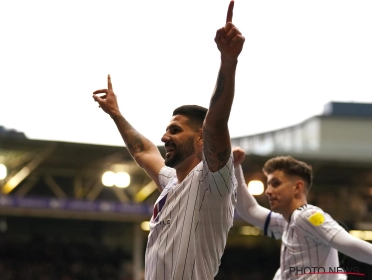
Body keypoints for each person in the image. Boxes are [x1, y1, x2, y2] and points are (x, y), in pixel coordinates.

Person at [92, 1, 245, 279]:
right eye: (166, 130)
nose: (164, 137)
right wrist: (116, 114)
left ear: (201, 138)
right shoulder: (172, 182)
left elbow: (216, 123)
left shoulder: (214, 181)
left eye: (175, 130)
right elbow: (141, 149)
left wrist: (228, 61)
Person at [232, 146, 372, 280]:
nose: (268, 191)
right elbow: (249, 210)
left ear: (297, 187)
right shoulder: (286, 222)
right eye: (268, 184)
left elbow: (352, 245)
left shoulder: (308, 216)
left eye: (275, 184)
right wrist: (235, 166)